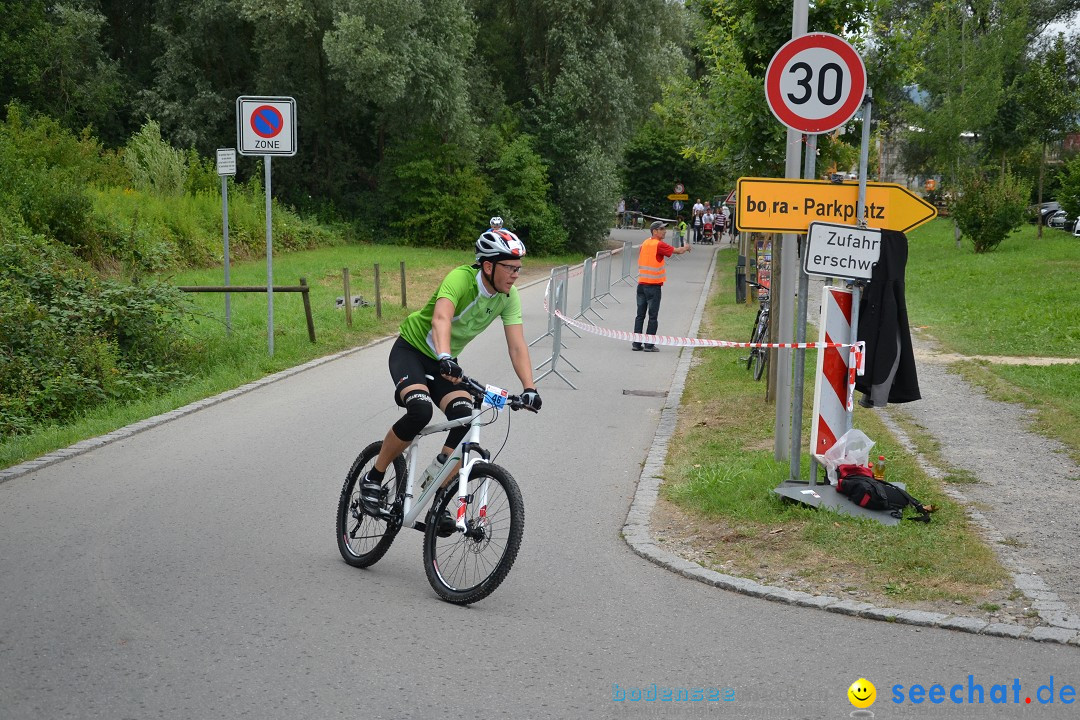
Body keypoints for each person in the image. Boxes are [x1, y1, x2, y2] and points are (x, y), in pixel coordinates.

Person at [359, 229, 543, 521]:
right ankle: (374, 476)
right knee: (420, 411)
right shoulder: (460, 279)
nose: (515, 275)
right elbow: (440, 318)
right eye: (510, 268)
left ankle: (438, 494)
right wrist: (444, 356)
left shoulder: (508, 297)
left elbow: (517, 345)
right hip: (412, 351)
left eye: (519, 269)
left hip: (445, 363)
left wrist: (529, 387)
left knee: (465, 416)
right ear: (488, 266)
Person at [631, 221, 690, 352]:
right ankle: (649, 345)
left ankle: (636, 344)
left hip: (641, 285)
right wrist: (686, 247)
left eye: (664, 229)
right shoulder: (659, 245)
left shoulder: (645, 243)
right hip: (653, 287)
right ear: (654, 231)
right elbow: (678, 251)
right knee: (653, 316)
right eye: (662, 229)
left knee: (640, 315)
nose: (665, 231)